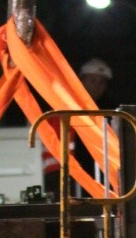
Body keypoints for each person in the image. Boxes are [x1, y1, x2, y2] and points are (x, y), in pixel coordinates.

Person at [39, 58, 113, 194]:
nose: (97, 86)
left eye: (101, 82)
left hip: (76, 172)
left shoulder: (100, 108)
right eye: (92, 81)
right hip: (60, 171)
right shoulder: (70, 103)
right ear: (82, 81)